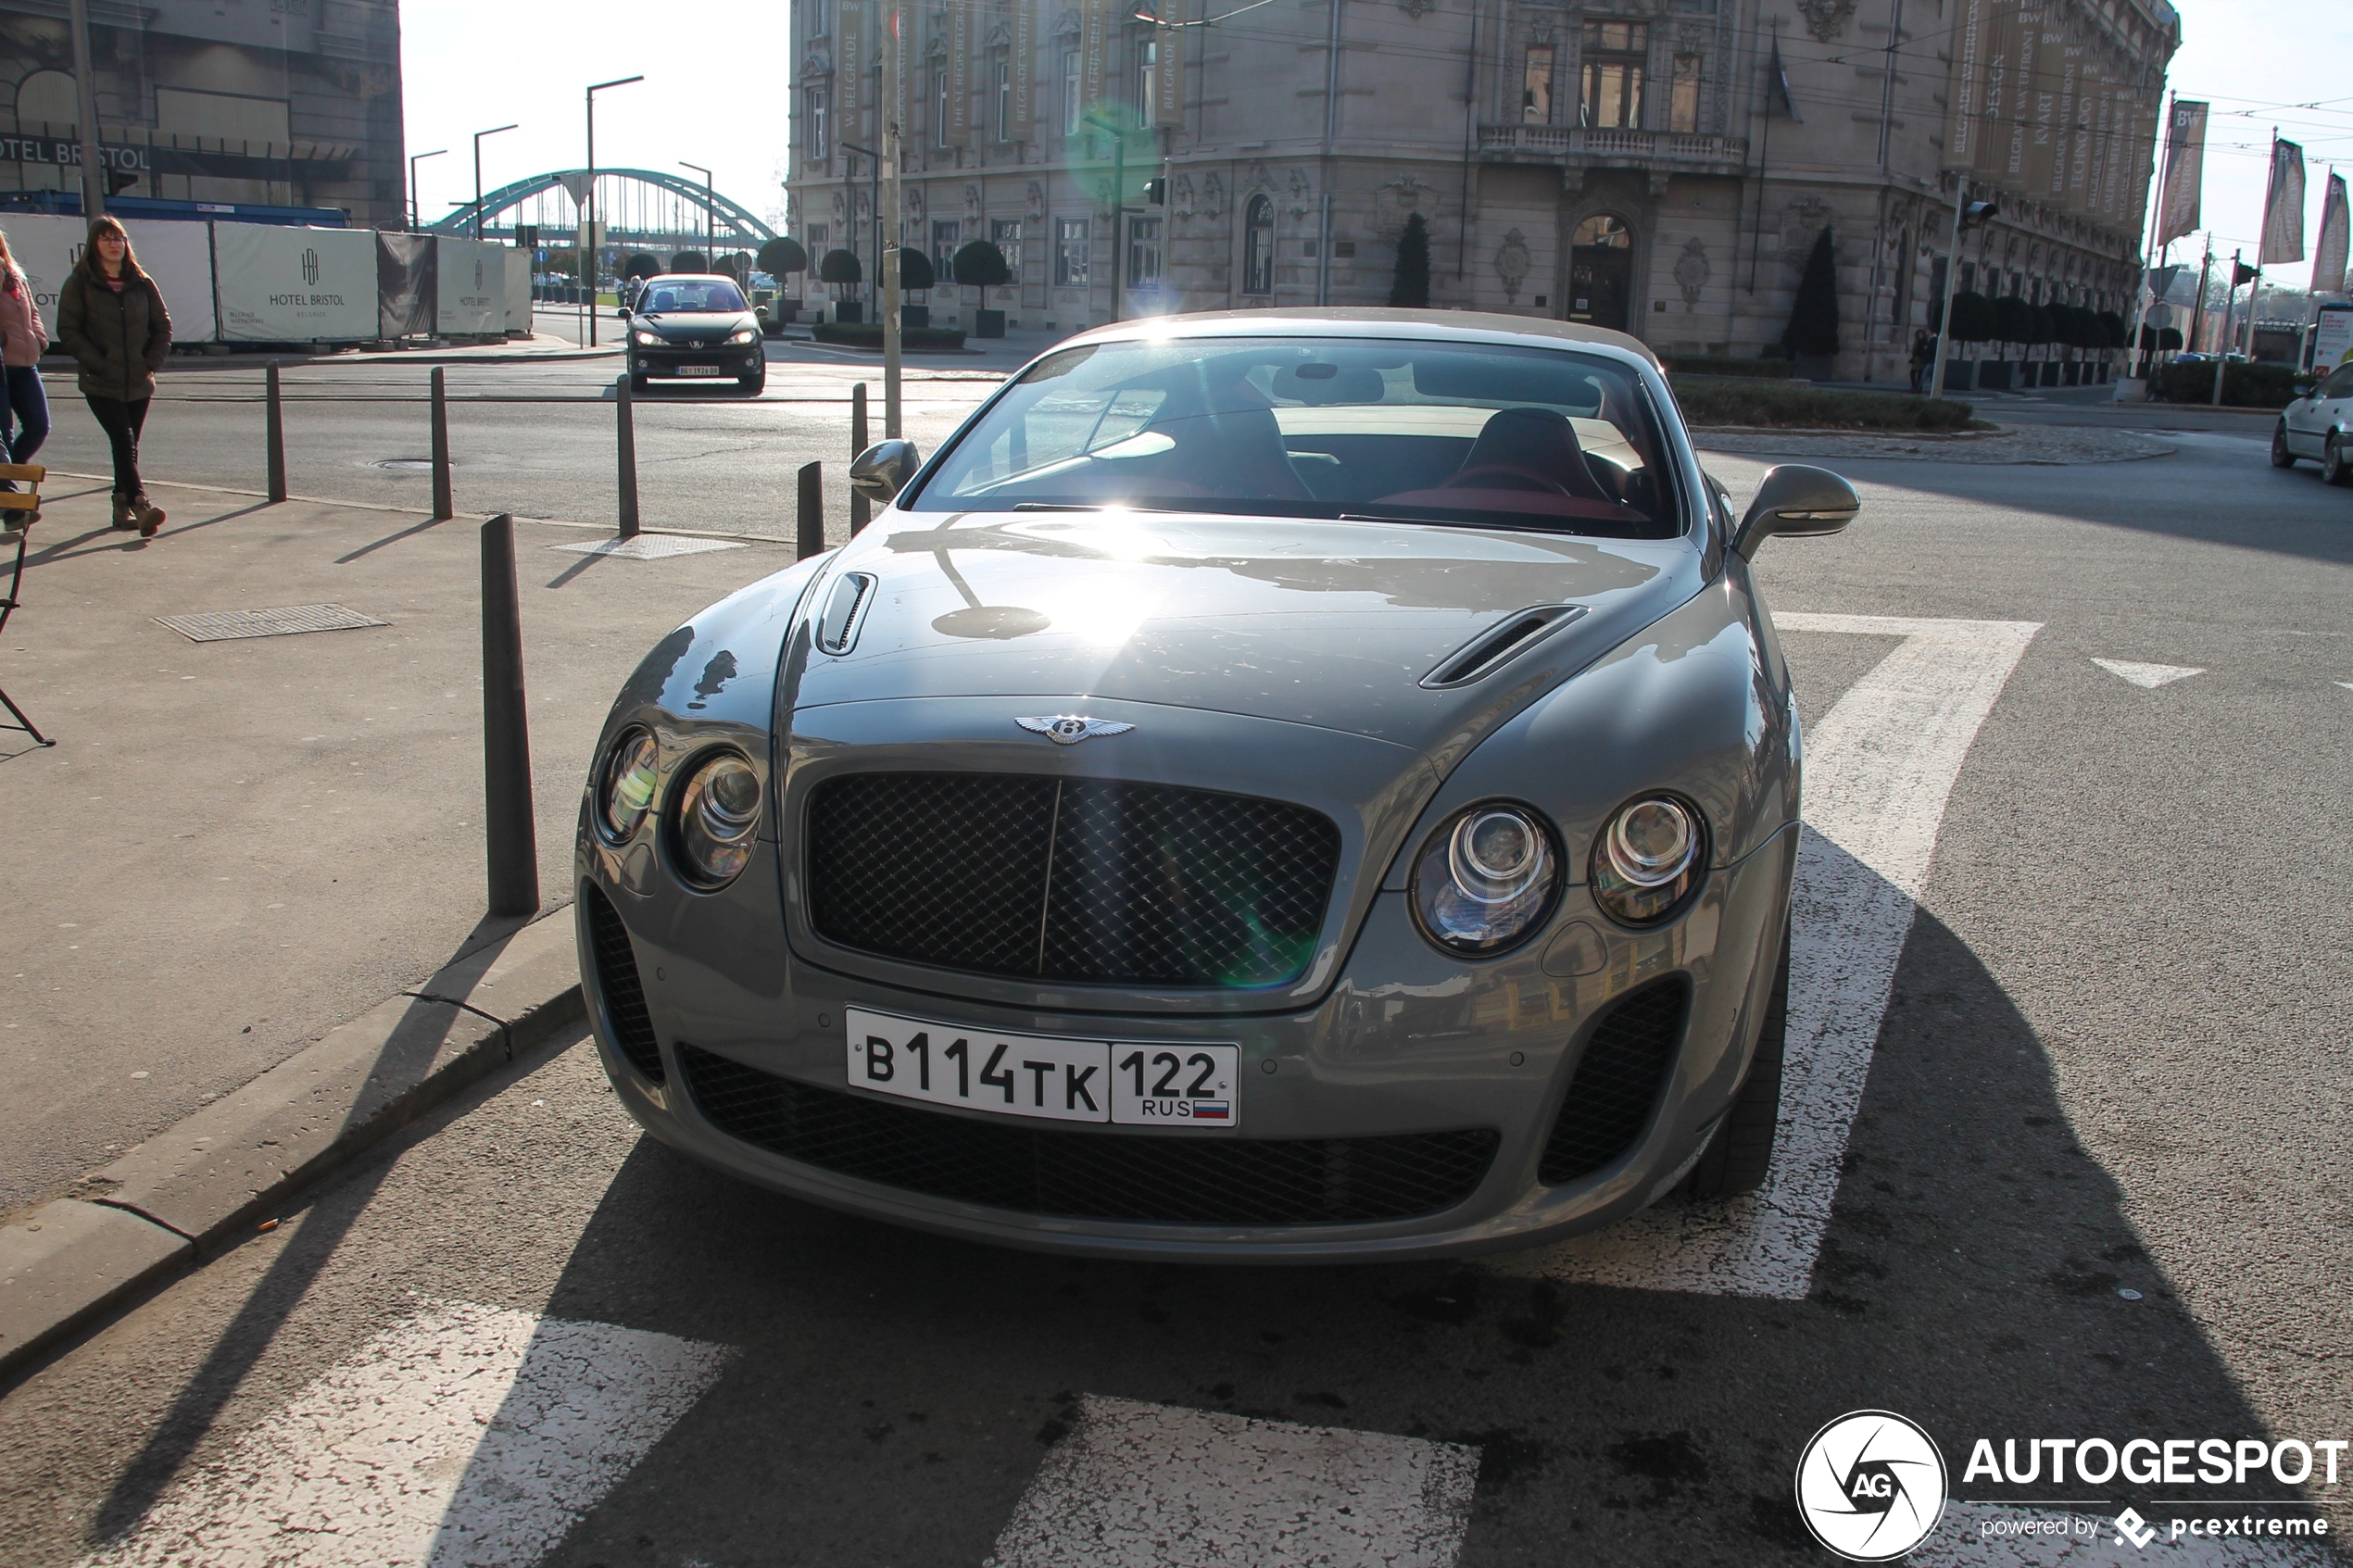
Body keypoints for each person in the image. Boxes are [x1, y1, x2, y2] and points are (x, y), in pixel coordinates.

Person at [57, 216, 170, 537]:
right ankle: (141, 504)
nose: (113, 244)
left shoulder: (141, 281)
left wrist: (150, 361)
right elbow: (68, 329)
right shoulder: (80, 283)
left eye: (118, 238)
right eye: (106, 238)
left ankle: (120, 507)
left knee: (129, 444)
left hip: (138, 379)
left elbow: (162, 325)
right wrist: (97, 361)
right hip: (101, 380)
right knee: (124, 439)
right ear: (94, 245)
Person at [0, 225, 49, 536]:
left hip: (25, 362)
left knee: (39, 425)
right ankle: (12, 505)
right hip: (1, 362)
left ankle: (6, 483)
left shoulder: (13, 272)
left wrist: (39, 338)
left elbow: (32, 311)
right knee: (2, 433)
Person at [1909, 328, 1934, 395]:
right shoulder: (1916, 341)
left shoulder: (1925, 342)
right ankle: (1914, 386)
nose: (1920, 336)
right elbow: (1914, 350)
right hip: (1916, 359)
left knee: (1920, 375)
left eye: (1921, 334)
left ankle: (1918, 388)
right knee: (1912, 373)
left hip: (1922, 360)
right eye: (1919, 334)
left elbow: (1926, 351)